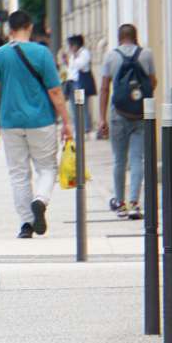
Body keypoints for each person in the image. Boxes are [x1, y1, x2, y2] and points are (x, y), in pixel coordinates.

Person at [0, 11, 72, 239]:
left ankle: (26, 223)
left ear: (9, 30)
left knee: (18, 174)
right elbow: (55, 91)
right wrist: (66, 122)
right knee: (47, 167)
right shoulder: (42, 53)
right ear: (30, 27)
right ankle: (40, 200)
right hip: (41, 121)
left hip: (10, 122)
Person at [98, 24, 158, 220]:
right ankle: (134, 203)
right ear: (135, 37)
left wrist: (101, 118)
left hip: (118, 114)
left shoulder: (111, 56)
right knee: (136, 159)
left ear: (119, 37)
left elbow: (105, 88)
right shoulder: (146, 54)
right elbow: (152, 82)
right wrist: (138, 98)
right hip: (140, 114)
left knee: (119, 160)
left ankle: (120, 204)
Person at [64, 35, 95, 135]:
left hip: (81, 83)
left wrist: (70, 59)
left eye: (71, 45)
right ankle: (77, 127)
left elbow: (79, 65)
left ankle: (86, 128)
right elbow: (70, 68)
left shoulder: (84, 53)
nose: (70, 48)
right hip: (72, 83)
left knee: (83, 106)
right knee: (73, 107)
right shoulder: (74, 55)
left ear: (76, 45)